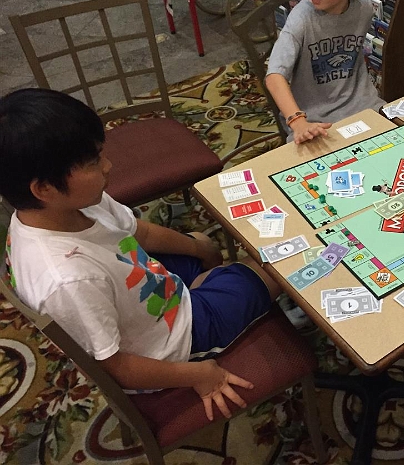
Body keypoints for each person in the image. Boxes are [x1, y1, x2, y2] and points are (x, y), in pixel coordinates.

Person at [0, 88, 283, 421]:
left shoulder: (67, 205)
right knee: (277, 267)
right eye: (93, 162)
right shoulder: (68, 281)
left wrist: (198, 248)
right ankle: (219, 295)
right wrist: (199, 374)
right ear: (44, 188)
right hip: (176, 344)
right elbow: (117, 367)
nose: (108, 166)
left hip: (145, 289)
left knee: (197, 240)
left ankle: (210, 283)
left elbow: (138, 232)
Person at [265, 0, 385, 145]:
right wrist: (297, 121)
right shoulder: (301, 18)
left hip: (364, 106)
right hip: (313, 119)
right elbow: (274, 76)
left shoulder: (365, 9)